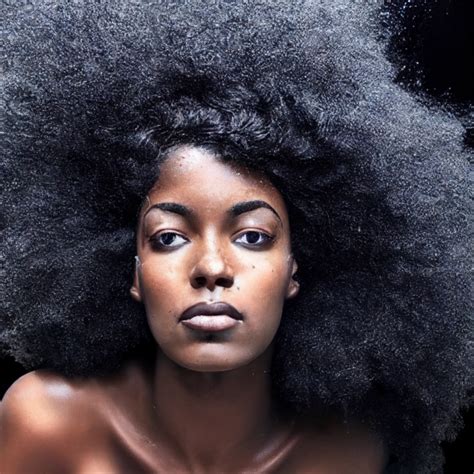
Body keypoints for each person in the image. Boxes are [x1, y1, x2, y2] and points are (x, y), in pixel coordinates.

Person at [1, 2, 471, 473]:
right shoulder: (48, 424)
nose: (212, 268)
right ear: (133, 272)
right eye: (168, 238)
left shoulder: (349, 454)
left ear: (294, 269)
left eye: (251, 237)